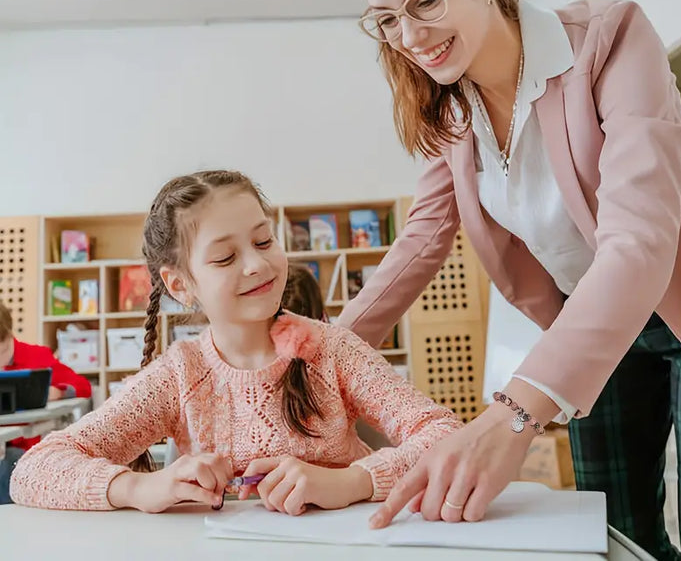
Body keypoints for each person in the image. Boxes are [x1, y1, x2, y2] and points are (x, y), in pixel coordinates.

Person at [337, 0, 681, 560]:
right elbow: (421, 243)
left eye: (425, 0)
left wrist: (513, 411)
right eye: (386, 19)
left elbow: (639, 242)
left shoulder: (610, 41)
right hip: (590, 323)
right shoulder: (451, 113)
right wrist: (320, 358)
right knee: (614, 530)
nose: (410, 36)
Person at [10, 170, 461, 513]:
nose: (256, 265)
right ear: (180, 284)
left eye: (264, 241)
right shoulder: (179, 374)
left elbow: (445, 435)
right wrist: (140, 487)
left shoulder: (331, 349)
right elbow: (34, 469)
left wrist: (352, 482)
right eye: (225, 256)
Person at [0, 300, 92, 504]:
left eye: (3, 351)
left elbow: (82, 386)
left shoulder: (35, 356)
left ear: (10, 335)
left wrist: (57, 392)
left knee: (7, 465)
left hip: (21, 450)